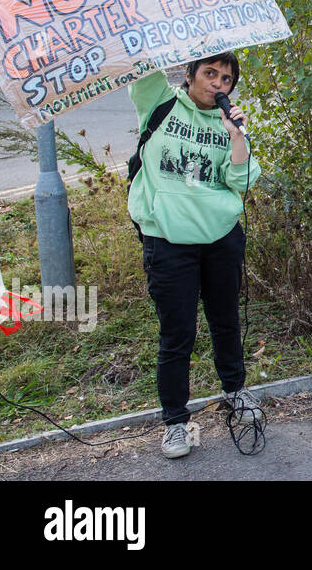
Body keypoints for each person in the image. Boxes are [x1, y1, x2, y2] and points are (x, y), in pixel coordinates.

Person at [129, 52, 262, 459]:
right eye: (209, 73)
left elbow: (239, 180)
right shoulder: (161, 102)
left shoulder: (228, 123)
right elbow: (139, 63)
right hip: (168, 241)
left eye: (225, 78)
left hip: (220, 237)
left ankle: (234, 391)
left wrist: (236, 135)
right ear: (188, 74)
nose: (217, 84)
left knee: (225, 321)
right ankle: (175, 423)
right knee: (177, 333)